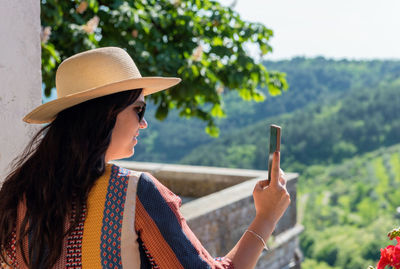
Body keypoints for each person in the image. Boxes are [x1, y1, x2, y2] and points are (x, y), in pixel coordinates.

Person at [0, 47, 290, 269]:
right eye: (139, 110)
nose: (143, 123)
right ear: (106, 114)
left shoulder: (15, 198)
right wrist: (266, 216)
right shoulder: (134, 194)